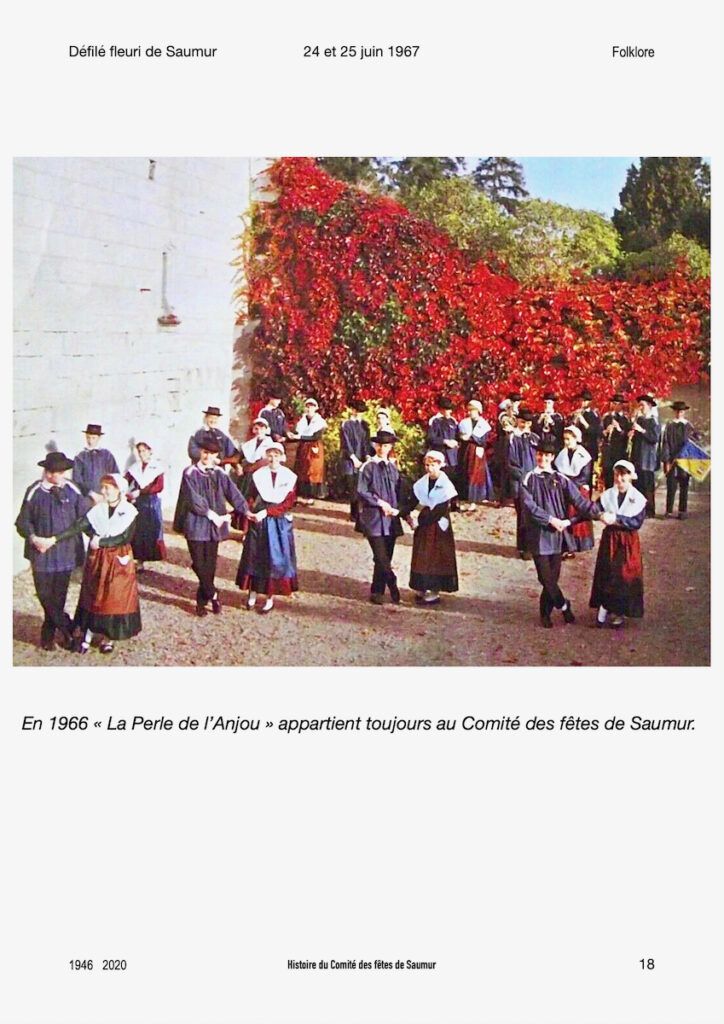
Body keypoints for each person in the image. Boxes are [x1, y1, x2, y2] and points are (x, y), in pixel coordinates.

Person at [38, 474, 141, 655]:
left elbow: (125, 537)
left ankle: (108, 638)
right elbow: (80, 525)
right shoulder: (98, 510)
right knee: (93, 595)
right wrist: (55, 539)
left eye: (108, 488)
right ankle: (87, 635)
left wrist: (101, 542)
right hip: (98, 559)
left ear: (119, 490)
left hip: (118, 561)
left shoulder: (129, 511)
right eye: (103, 487)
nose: (104, 491)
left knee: (114, 597)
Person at [520, 439, 602, 628]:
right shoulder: (528, 478)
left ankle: (545, 612)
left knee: (553, 578)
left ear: (552, 457)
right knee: (545, 578)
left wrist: (599, 512)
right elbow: (529, 506)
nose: (543, 458)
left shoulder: (560, 478)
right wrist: (550, 519)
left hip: (557, 536)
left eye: (547, 456)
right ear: (536, 455)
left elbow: (579, 501)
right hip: (539, 534)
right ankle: (564, 606)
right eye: (540, 454)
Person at [15, 451, 89, 650]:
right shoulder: (34, 491)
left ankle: (48, 636)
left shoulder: (73, 489)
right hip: (41, 555)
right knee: (45, 596)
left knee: (59, 597)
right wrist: (33, 538)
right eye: (55, 472)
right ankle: (70, 628)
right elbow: (22, 521)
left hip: (66, 553)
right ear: (47, 472)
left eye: (63, 471)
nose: (59, 476)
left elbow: (84, 519)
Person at [175, 435, 250, 616]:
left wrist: (246, 511)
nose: (207, 456)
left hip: (214, 527)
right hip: (196, 523)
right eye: (205, 452)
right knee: (199, 563)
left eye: (212, 453)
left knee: (210, 565)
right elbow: (194, 500)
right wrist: (211, 514)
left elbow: (233, 493)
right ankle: (214, 595)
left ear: (217, 454)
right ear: (200, 452)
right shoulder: (190, 473)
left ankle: (201, 602)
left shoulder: (219, 473)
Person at [236, 444, 298, 614]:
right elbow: (249, 496)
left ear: (282, 457)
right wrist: (248, 515)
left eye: (277, 455)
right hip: (259, 521)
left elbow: (288, 503)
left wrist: (268, 512)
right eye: (270, 455)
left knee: (274, 559)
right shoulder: (258, 475)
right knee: (254, 557)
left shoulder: (289, 477)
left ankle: (269, 597)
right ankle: (252, 594)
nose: (273, 459)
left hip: (277, 522)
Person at [589, 460, 646, 629]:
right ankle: (605, 606)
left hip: (628, 541)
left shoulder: (638, 499)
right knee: (608, 571)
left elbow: (636, 522)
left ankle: (619, 610)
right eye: (617, 475)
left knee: (625, 574)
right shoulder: (608, 495)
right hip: (611, 539)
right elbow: (594, 509)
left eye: (624, 475)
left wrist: (617, 519)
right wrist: (600, 515)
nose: (620, 479)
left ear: (630, 477)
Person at [355, 430, 405, 605]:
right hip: (374, 517)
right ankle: (392, 583)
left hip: (390, 519)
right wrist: (379, 503)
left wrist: (398, 510)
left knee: (386, 556)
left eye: (386, 445)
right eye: (380, 445)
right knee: (380, 555)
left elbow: (399, 491)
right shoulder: (368, 467)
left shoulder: (393, 467)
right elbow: (362, 491)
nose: (383, 449)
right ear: (375, 446)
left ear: (390, 447)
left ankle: (377, 590)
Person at [407, 451, 458, 605]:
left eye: (433, 465)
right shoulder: (422, 483)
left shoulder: (446, 485)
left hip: (437, 527)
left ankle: (434, 590)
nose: (429, 469)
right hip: (424, 528)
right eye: (427, 465)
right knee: (422, 555)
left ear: (440, 465)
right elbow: (414, 500)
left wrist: (421, 521)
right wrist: (405, 513)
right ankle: (421, 586)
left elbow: (439, 510)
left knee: (436, 557)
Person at [125, 441, 166, 571]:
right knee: (138, 531)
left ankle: (148, 557)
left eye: (144, 451)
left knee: (151, 530)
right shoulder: (135, 467)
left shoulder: (157, 467)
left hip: (151, 502)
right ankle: (138, 560)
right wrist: (125, 492)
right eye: (140, 451)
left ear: (150, 451)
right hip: (138, 502)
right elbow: (126, 480)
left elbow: (159, 486)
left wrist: (141, 491)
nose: (142, 454)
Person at [554, 425, 594, 556]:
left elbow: (584, 477)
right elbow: (557, 471)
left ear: (576, 439)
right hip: (564, 488)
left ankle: (577, 545)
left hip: (577, 489)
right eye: (564, 439)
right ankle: (566, 545)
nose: (566, 442)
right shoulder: (562, 454)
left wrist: (569, 485)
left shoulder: (584, 456)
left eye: (569, 439)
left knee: (575, 516)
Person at [506, 408, 539, 558]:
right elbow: (509, 462)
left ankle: (534, 545)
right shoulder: (512, 438)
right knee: (523, 515)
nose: (524, 425)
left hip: (534, 481)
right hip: (519, 481)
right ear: (517, 421)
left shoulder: (534, 438)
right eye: (521, 422)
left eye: (527, 422)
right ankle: (524, 547)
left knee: (534, 513)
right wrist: (522, 476)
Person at [661, 400, 699, 520]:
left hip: (685, 460)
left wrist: (695, 436)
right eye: (677, 411)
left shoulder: (688, 426)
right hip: (672, 459)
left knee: (684, 485)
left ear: (684, 412)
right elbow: (665, 443)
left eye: (681, 411)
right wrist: (666, 461)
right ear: (674, 412)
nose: (679, 413)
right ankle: (669, 510)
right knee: (671, 485)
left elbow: (695, 441)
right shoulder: (670, 425)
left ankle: (682, 511)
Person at [457, 400, 494, 510]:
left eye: (472, 410)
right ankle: (463, 499)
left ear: (477, 411)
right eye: (469, 410)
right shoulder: (464, 423)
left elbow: (483, 440)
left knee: (476, 474)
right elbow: (460, 436)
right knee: (464, 473)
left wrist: (470, 438)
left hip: (477, 452)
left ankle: (474, 500)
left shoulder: (484, 425)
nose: (469, 413)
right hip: (465, 451)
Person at [290, 398, 327, 504]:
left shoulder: (320, 422)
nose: (309, 408)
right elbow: (295, 432)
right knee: (301, 468)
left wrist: (299, 437)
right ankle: (302, 494)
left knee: (313, 469)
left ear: (316, 408)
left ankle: (312, 495)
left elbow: (316, 436)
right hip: (303, 446)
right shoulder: (302, 421)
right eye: (308, 406)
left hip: (314, 447)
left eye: (312, 406)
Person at [629, 394, 661, 517]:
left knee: (648, 486)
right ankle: (639, 510)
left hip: (647, 458)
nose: (640, 407)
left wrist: (641, 430)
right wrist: (632, 434)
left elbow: (654, 438)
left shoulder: (654, 421)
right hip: (637, 457)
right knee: (638, 484)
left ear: (649, 406)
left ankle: (650, 511)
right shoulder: (640, 420)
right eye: (640, 405)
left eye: (642, 405)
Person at [340, 401, 371, 522]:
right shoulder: (346, 425)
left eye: (361, 413)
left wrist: (367, 456)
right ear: (353, 411)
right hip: (350, 459)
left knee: (361, 486)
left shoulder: (365, 425)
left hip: (362, 458)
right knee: (352, 486)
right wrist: (353, 458)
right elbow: (345, 443)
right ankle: (354, 513)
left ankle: (361, 512)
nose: (359, 414)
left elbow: (366, 442)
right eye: (358, 412)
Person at [73, 423, 119, 503]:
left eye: (93, 438)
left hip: (105, 496)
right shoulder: (80, 456)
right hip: (86, 497)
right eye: (88, 438)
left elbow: (115, 475)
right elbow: (77, 479)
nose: (90, 441)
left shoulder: (106, 455)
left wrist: (110, 492)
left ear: (99, 438)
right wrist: (90, 493)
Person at [426, 397, 460, 494]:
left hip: (452, 457)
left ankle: (452, 501)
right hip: (441, 455)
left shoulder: (453, 421)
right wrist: (445, 441)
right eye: (446, 409)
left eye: (450, 409)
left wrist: (456, 443)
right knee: (439, 479)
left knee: (452, 479)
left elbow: (457, 436)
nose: (448, 412)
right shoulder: (435, 421)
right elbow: (431, 438)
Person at [238, 418, 276, 497]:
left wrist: (253, 467)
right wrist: (238, 466)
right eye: (256, 428)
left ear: (266, 430)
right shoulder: (248, 445)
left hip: (264, 472)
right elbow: (240, 457)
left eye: (262, 429)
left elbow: (268, 460)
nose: (259, 431)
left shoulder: (271, 445)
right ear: (253, 430)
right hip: (249, 473)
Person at [601, 393, 631, 488]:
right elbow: (601, 434)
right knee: (608, 477)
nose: (616, 406)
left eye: (619, 404)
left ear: (622, 405)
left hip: (619, 452)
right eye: (615, 403)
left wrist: (618, 428)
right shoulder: (607, 417)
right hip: (608, 452)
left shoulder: (625, 419)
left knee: (619, 476)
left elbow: (627, 436)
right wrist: (606, 431)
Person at [495, 392, 521, 503]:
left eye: (517, 402)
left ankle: (516, 495)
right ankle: (503, 497)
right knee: (505, 469)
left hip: (517, 443)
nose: (515, 404)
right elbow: (505, 428)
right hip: (505, 443)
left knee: (517, 467)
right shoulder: (503, 415)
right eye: (513, 402)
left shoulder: (519, 414)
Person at [571, 390, 602, 464]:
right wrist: (574, 420)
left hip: (589, 447)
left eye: (585, 401)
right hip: (578, 446)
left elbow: (596, 432)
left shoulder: (594, 415)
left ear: (589, 402)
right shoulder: (577, 412)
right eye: (581, 400)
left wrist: (584, 422)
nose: (582, 403)